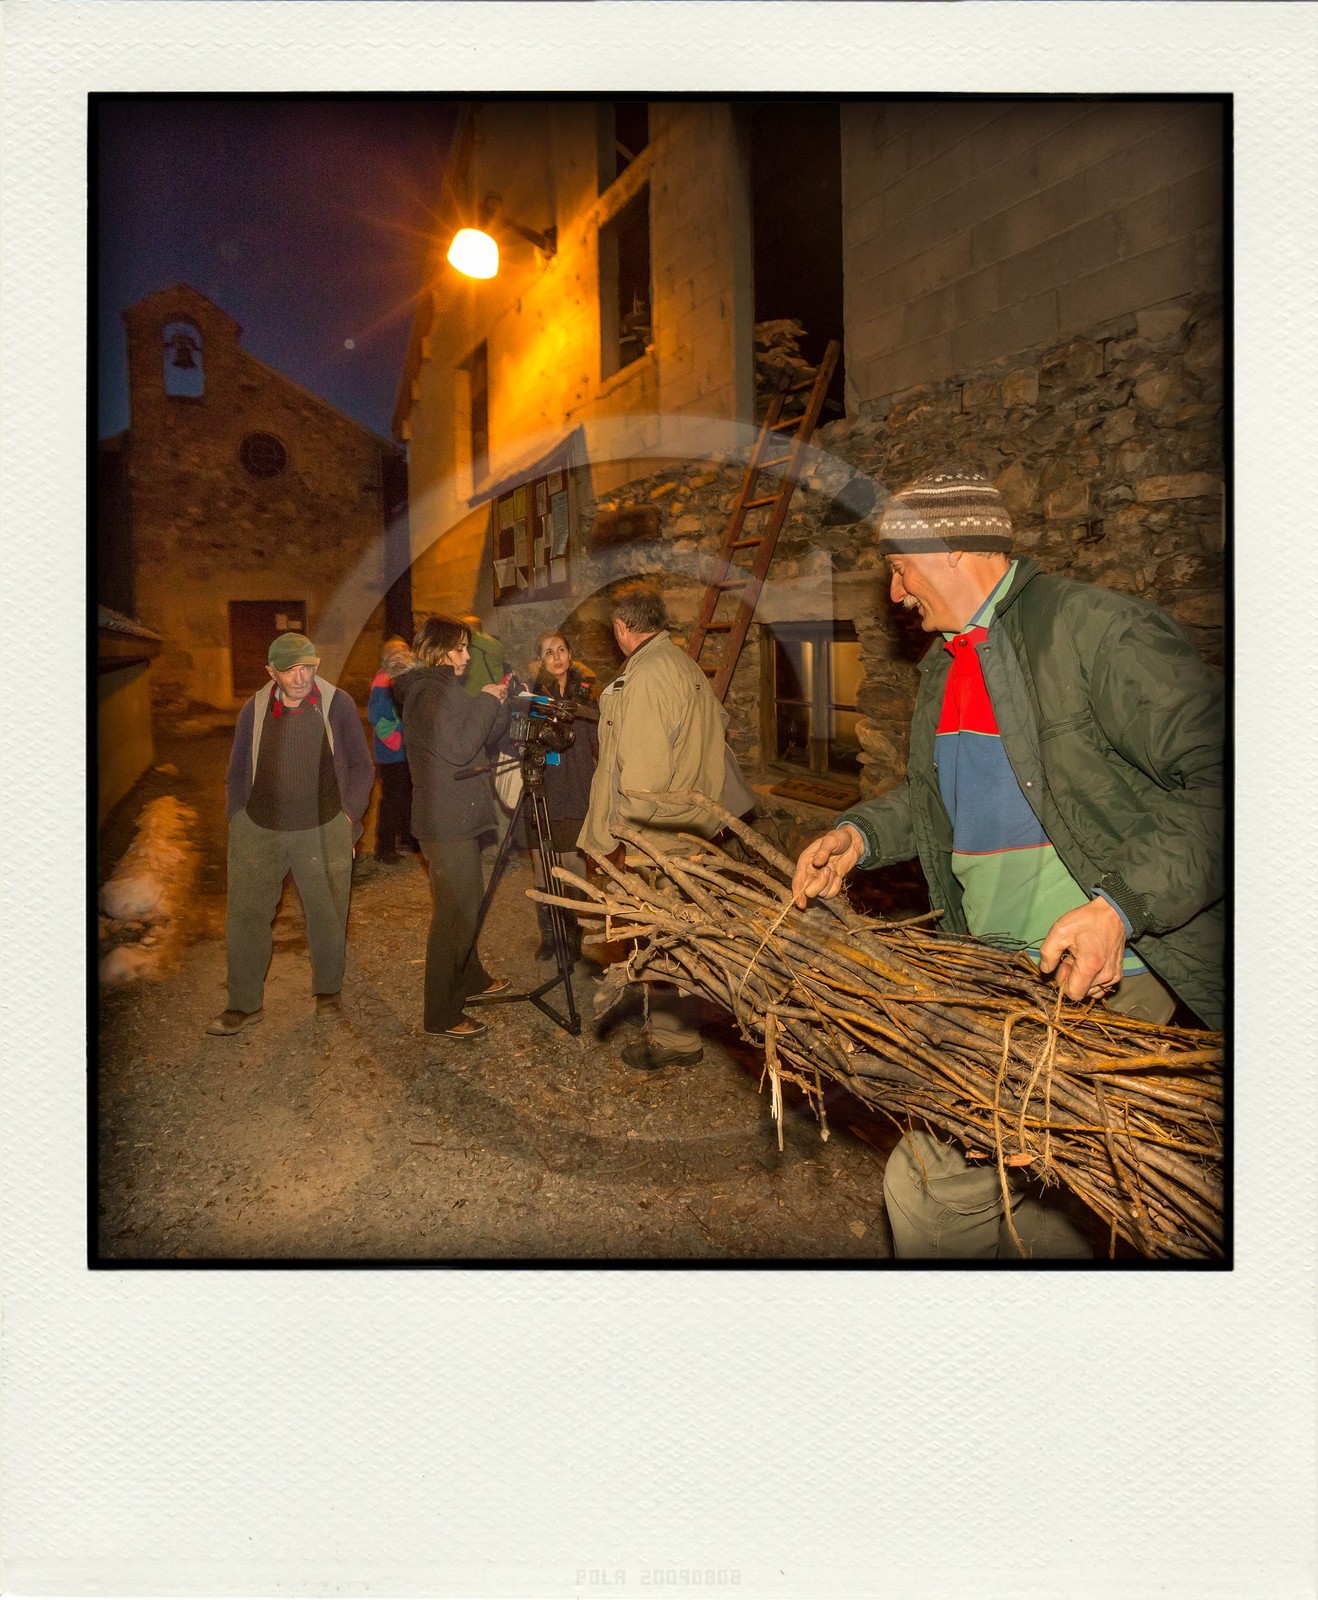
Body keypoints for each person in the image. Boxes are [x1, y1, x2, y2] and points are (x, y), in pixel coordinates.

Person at [790, 467, 1224, 1259]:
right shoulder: (951, 665)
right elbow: (943, 798)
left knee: (926, 1184)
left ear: (951, 550)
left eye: (900, 566)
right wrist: (858, 837)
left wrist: (1118, 909)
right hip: (997, 972)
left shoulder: (1096, 633)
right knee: (1050, 1197)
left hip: (1102, 974)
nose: (894, 593)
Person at [578, 583, 736, 1071]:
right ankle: (677, 1029)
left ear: (623, 628)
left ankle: (674, 1040)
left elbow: (640, 781)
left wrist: (616, 839)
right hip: (690, 827)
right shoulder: (685, 666)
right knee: (679, 936)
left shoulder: (644, 678)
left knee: (659, 940)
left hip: (656, 837)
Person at [207, 632, 374, 1036]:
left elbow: (362, 767)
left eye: (307, 667)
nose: (301, 678)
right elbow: (236, 772)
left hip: (322, 827)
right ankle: (244, 1004)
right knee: (246, 918)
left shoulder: (338, 705)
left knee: (328, 914)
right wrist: (237, 818)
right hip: (259, 828)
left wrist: (348, 817)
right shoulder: (255, 708)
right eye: (290, 670)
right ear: (271, 673)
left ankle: (328, 993)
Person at [394, 615, 514, 1041]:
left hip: (457, 817)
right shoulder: (429, 693)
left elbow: (481, 738)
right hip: (444, 824)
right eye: (460, 648)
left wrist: (499, 701)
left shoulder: (444, 690)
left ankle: (470, 978)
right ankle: (441, 1014)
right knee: (453, 917)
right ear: (440, 650)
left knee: (468, 904)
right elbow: (462, 748)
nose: (466, 656)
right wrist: (485, 700)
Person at [523, 629, 599, 968]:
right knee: (542, 864)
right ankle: (549, 935)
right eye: (548, 652)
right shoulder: (533, 698)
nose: (556, 656)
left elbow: (599, 738)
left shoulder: (587, 694)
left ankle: (573, 937)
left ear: (570, 653)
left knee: (573, 865)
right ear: (540, 659)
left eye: (561, 649)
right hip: (543, 788)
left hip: (576, 788)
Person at [368, 635, 419, 865]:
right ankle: (385, 846)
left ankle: (406, 836)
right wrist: (398, 740)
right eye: (396, 652)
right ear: (386, 658)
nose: (401, 655)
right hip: (392, 753)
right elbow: (378, 718)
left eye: (404, 650)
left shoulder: (398, 678)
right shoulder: (383, 681)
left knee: (406, 795)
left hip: (402, 750)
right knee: (392, 798)